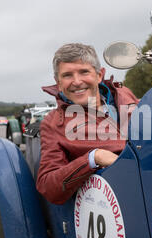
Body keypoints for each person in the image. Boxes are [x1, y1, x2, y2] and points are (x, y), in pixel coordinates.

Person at [36, 43, 139, 204]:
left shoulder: (125, 95)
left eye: (84, 72)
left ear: (99, 75)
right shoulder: (52, 123)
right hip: (113, 200)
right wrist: (93, 158)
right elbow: (48, 186)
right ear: (58, 83)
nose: (77, 82)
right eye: (67, 75)